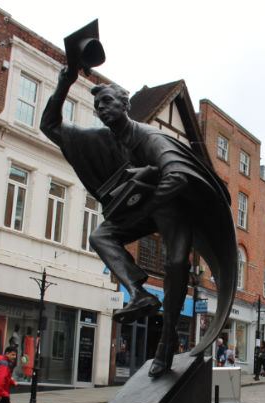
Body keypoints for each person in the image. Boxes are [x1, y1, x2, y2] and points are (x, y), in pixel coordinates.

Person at [41, 64, 233, 379]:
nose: (101, 109)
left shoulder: (148, 136)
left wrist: (144, 205)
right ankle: (138, 291)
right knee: (101, 236)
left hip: (173, 207)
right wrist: (64, 82)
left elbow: (177, 177)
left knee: (175, 265)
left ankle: (167, 344)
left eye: (107, 102)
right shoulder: (102, 139)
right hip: (143, 207)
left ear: (125, 105)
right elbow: (50, 126)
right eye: (97, 105)